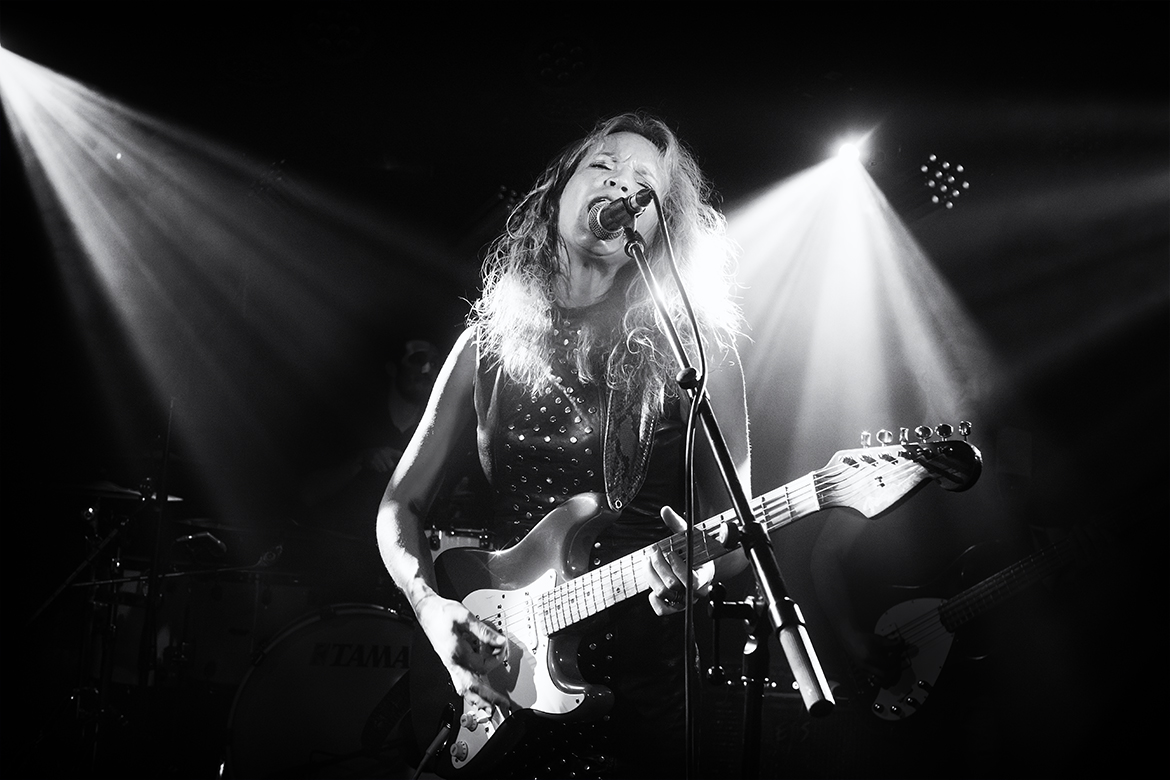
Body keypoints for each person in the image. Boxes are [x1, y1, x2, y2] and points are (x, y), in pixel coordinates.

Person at [375, 112, 751, 778]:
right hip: (500, 668)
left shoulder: (693, 355)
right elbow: (397, 506)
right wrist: (433, 611)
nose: (622, 188)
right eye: (604, 166)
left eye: (645, 184)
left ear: (660, 225)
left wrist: (703, 571)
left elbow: (743, 537)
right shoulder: (487, 345)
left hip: (639, 690)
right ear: (559, 193)